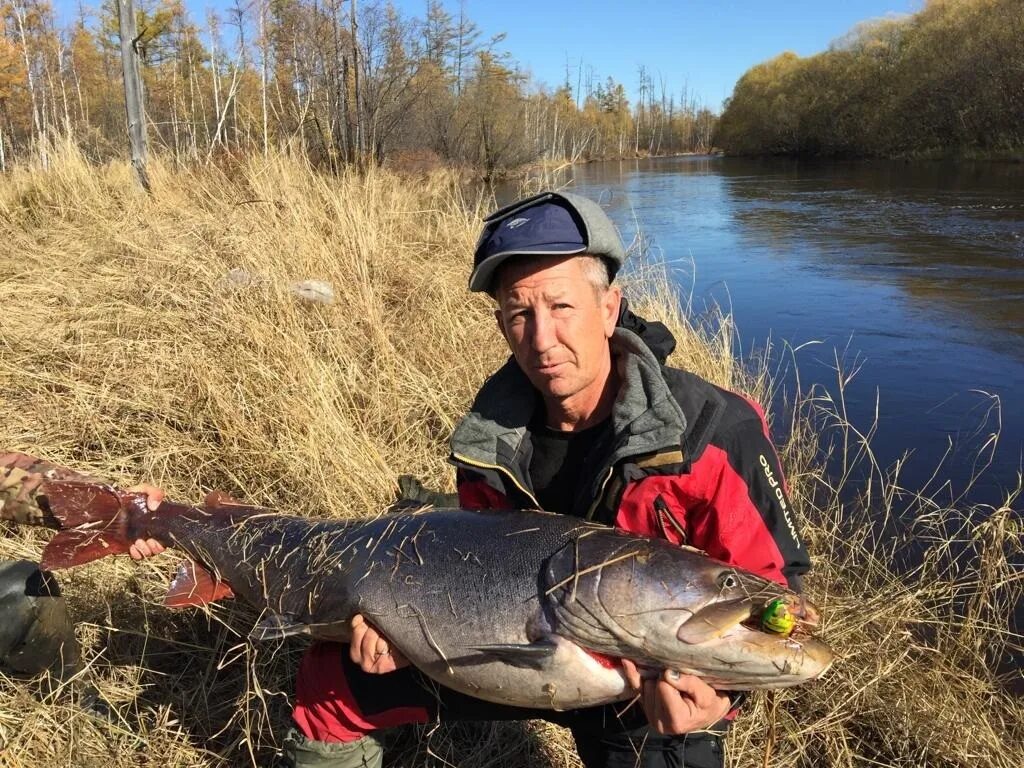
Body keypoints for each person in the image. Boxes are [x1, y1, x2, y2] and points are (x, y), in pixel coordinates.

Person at [127, 191, 809, 767]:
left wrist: (720, 694)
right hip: (505, 650)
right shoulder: (491, 439)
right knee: (332, 680)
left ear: (609, 307)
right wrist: (395, 634)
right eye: (519, 312)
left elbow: (774, 595)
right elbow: (466, 567)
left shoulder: (717, 433)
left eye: (562, 306)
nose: (541, 337)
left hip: (654, 676)